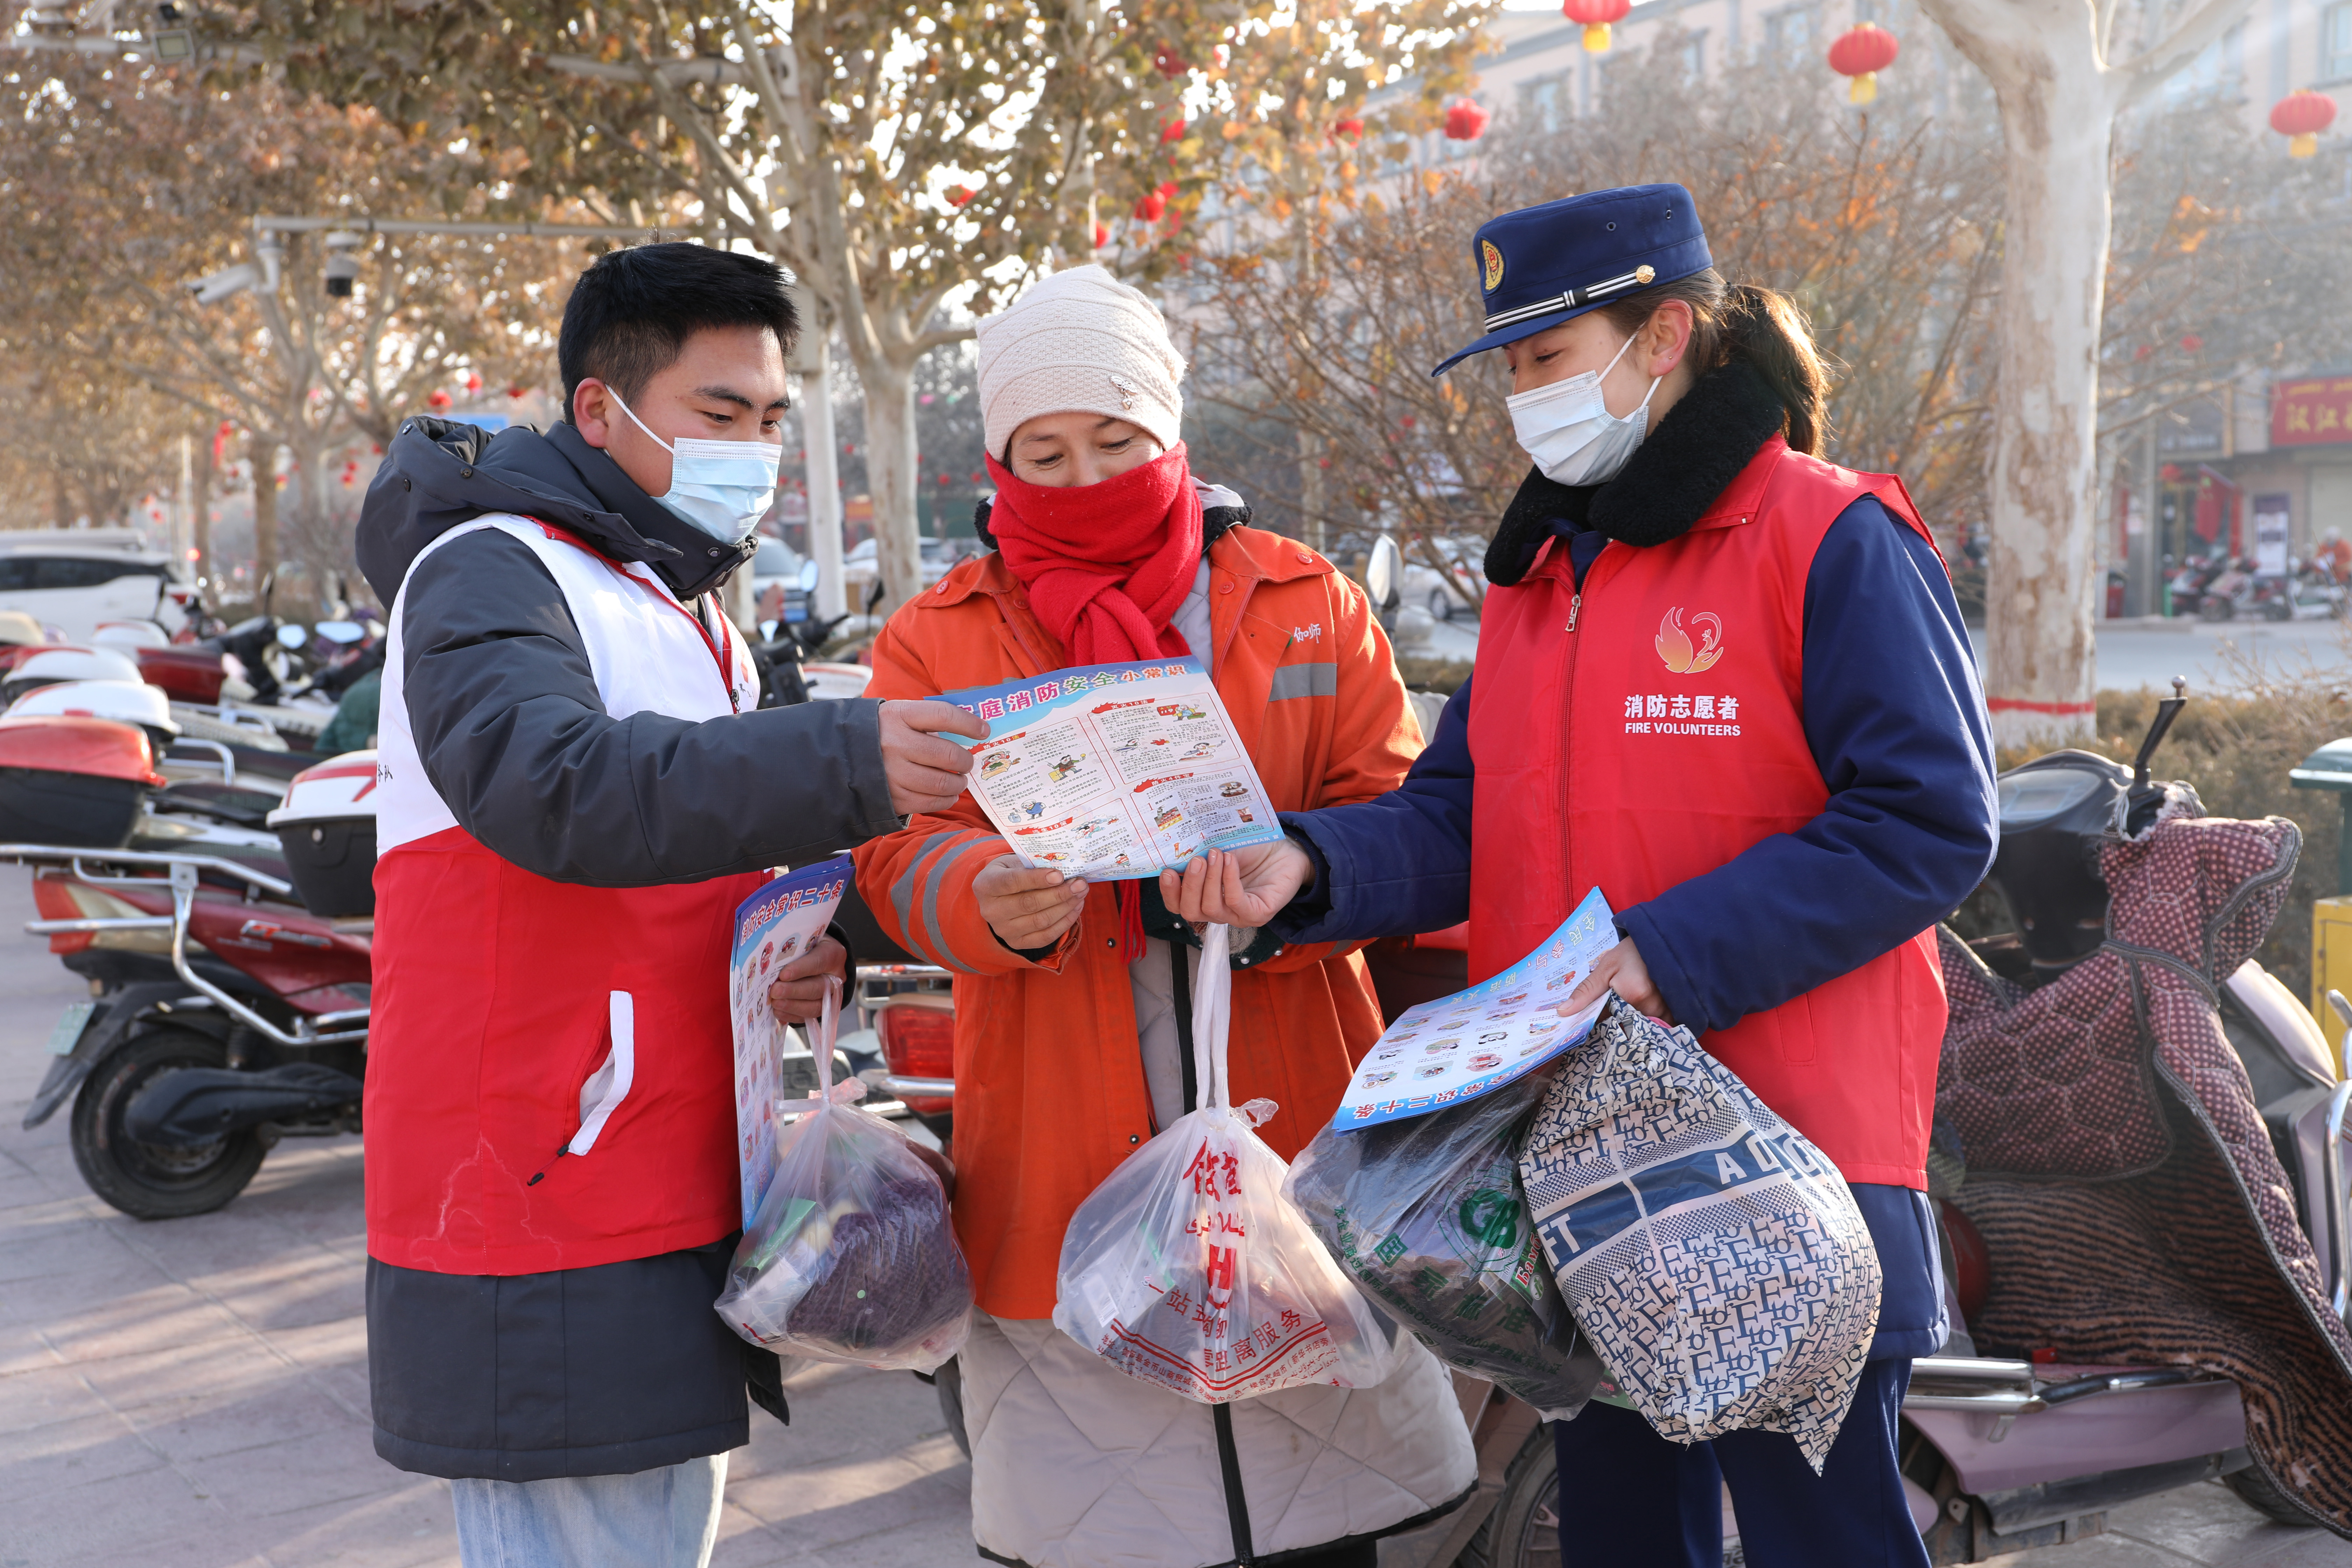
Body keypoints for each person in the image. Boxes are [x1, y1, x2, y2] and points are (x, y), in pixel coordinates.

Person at [1165, 185, 1998, 1568]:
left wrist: (1665, 952)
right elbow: (1457, 814)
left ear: (1666, 333)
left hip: (1787, 1170)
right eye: (1512, 368)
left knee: (1822, 1539)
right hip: (1573, 1163)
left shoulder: (1831, 536)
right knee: (1616, 1534)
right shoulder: (1543, 573)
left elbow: (1927, 822)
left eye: (1548, 358)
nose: (1524, 397)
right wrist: (1302, 863)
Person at [353, 241, 985, 1568]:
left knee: (654, 1529)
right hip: (541, 1175)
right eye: (718, 414)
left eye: (768, 418)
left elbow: (696, 851)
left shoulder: (689, 609)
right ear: (602, 410)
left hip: (667, 1162)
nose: (751, 450)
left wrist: (792, 951)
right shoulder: (489, 567)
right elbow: (557, 788)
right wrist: (849, 758)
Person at [849, 264, 1477, 1568]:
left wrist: (1302, 868)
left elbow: (1419, 822)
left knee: (1325, 1530)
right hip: (1059, 1134)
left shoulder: (1308, 601)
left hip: (1294, 1130)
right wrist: (987, 896)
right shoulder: (938, 637)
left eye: (1116, 441)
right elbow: (895, 859)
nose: (1084, 477)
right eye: (1047, 451)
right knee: (1108, 1529)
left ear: (1170, 433)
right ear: (1002, 459)